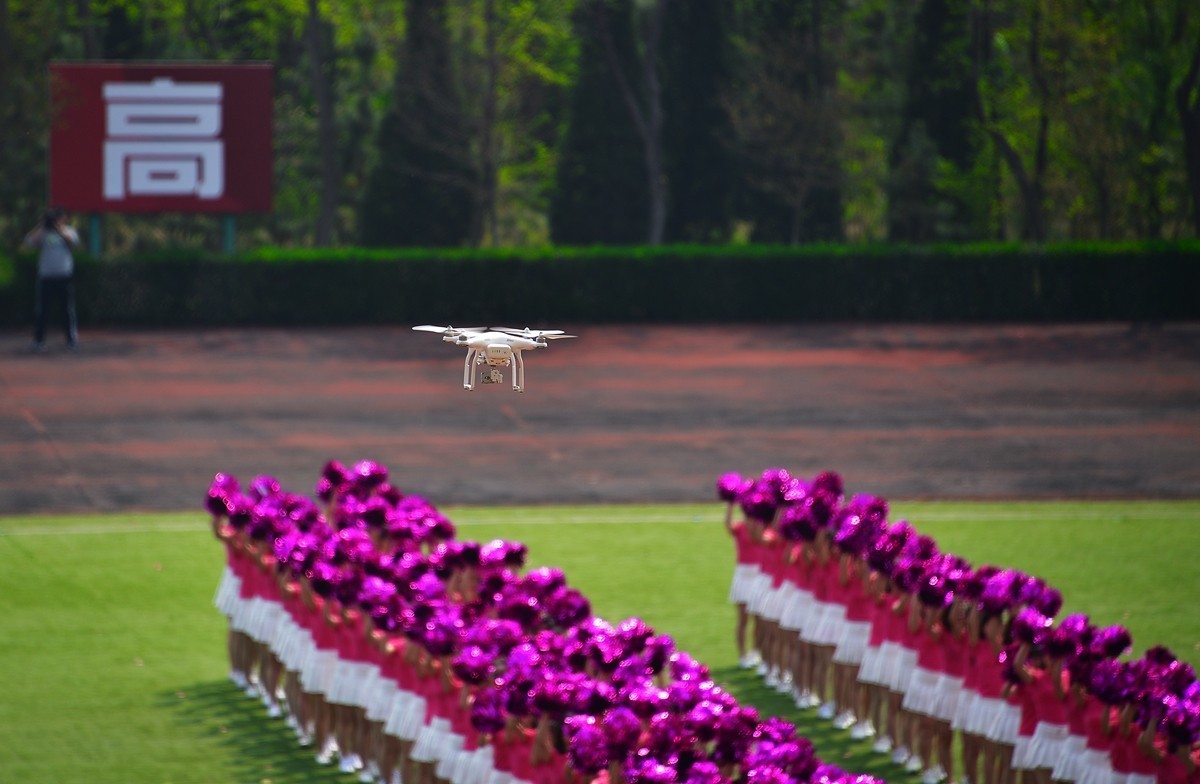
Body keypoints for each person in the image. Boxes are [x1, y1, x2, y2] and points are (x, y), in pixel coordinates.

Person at [22, 206, 80, 351]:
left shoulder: (69, 231)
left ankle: (71, 340)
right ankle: (39, 341)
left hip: (64, 276)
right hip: (46, 276)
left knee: (66, 310)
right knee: (42, 310)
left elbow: (73, 242)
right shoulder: (43, 233)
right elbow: (29, 242)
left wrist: (59, 229)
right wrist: (42, 226)